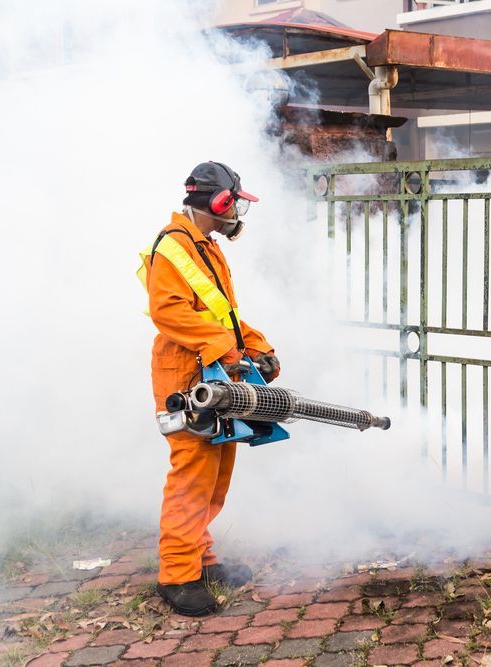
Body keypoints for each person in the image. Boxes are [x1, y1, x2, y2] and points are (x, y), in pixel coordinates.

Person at [138, 161, 281, 616]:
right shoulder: (174, 247)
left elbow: (224, 315)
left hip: (214, 372)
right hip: (187, 377)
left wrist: (258, 347)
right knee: (191, 478)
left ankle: (201, 558)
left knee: (215, 474)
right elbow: (169, 314)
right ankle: (177, 576)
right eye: (235, 202)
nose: (238, 211)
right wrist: (228, 350)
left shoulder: (206, 246)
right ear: (218, 203)